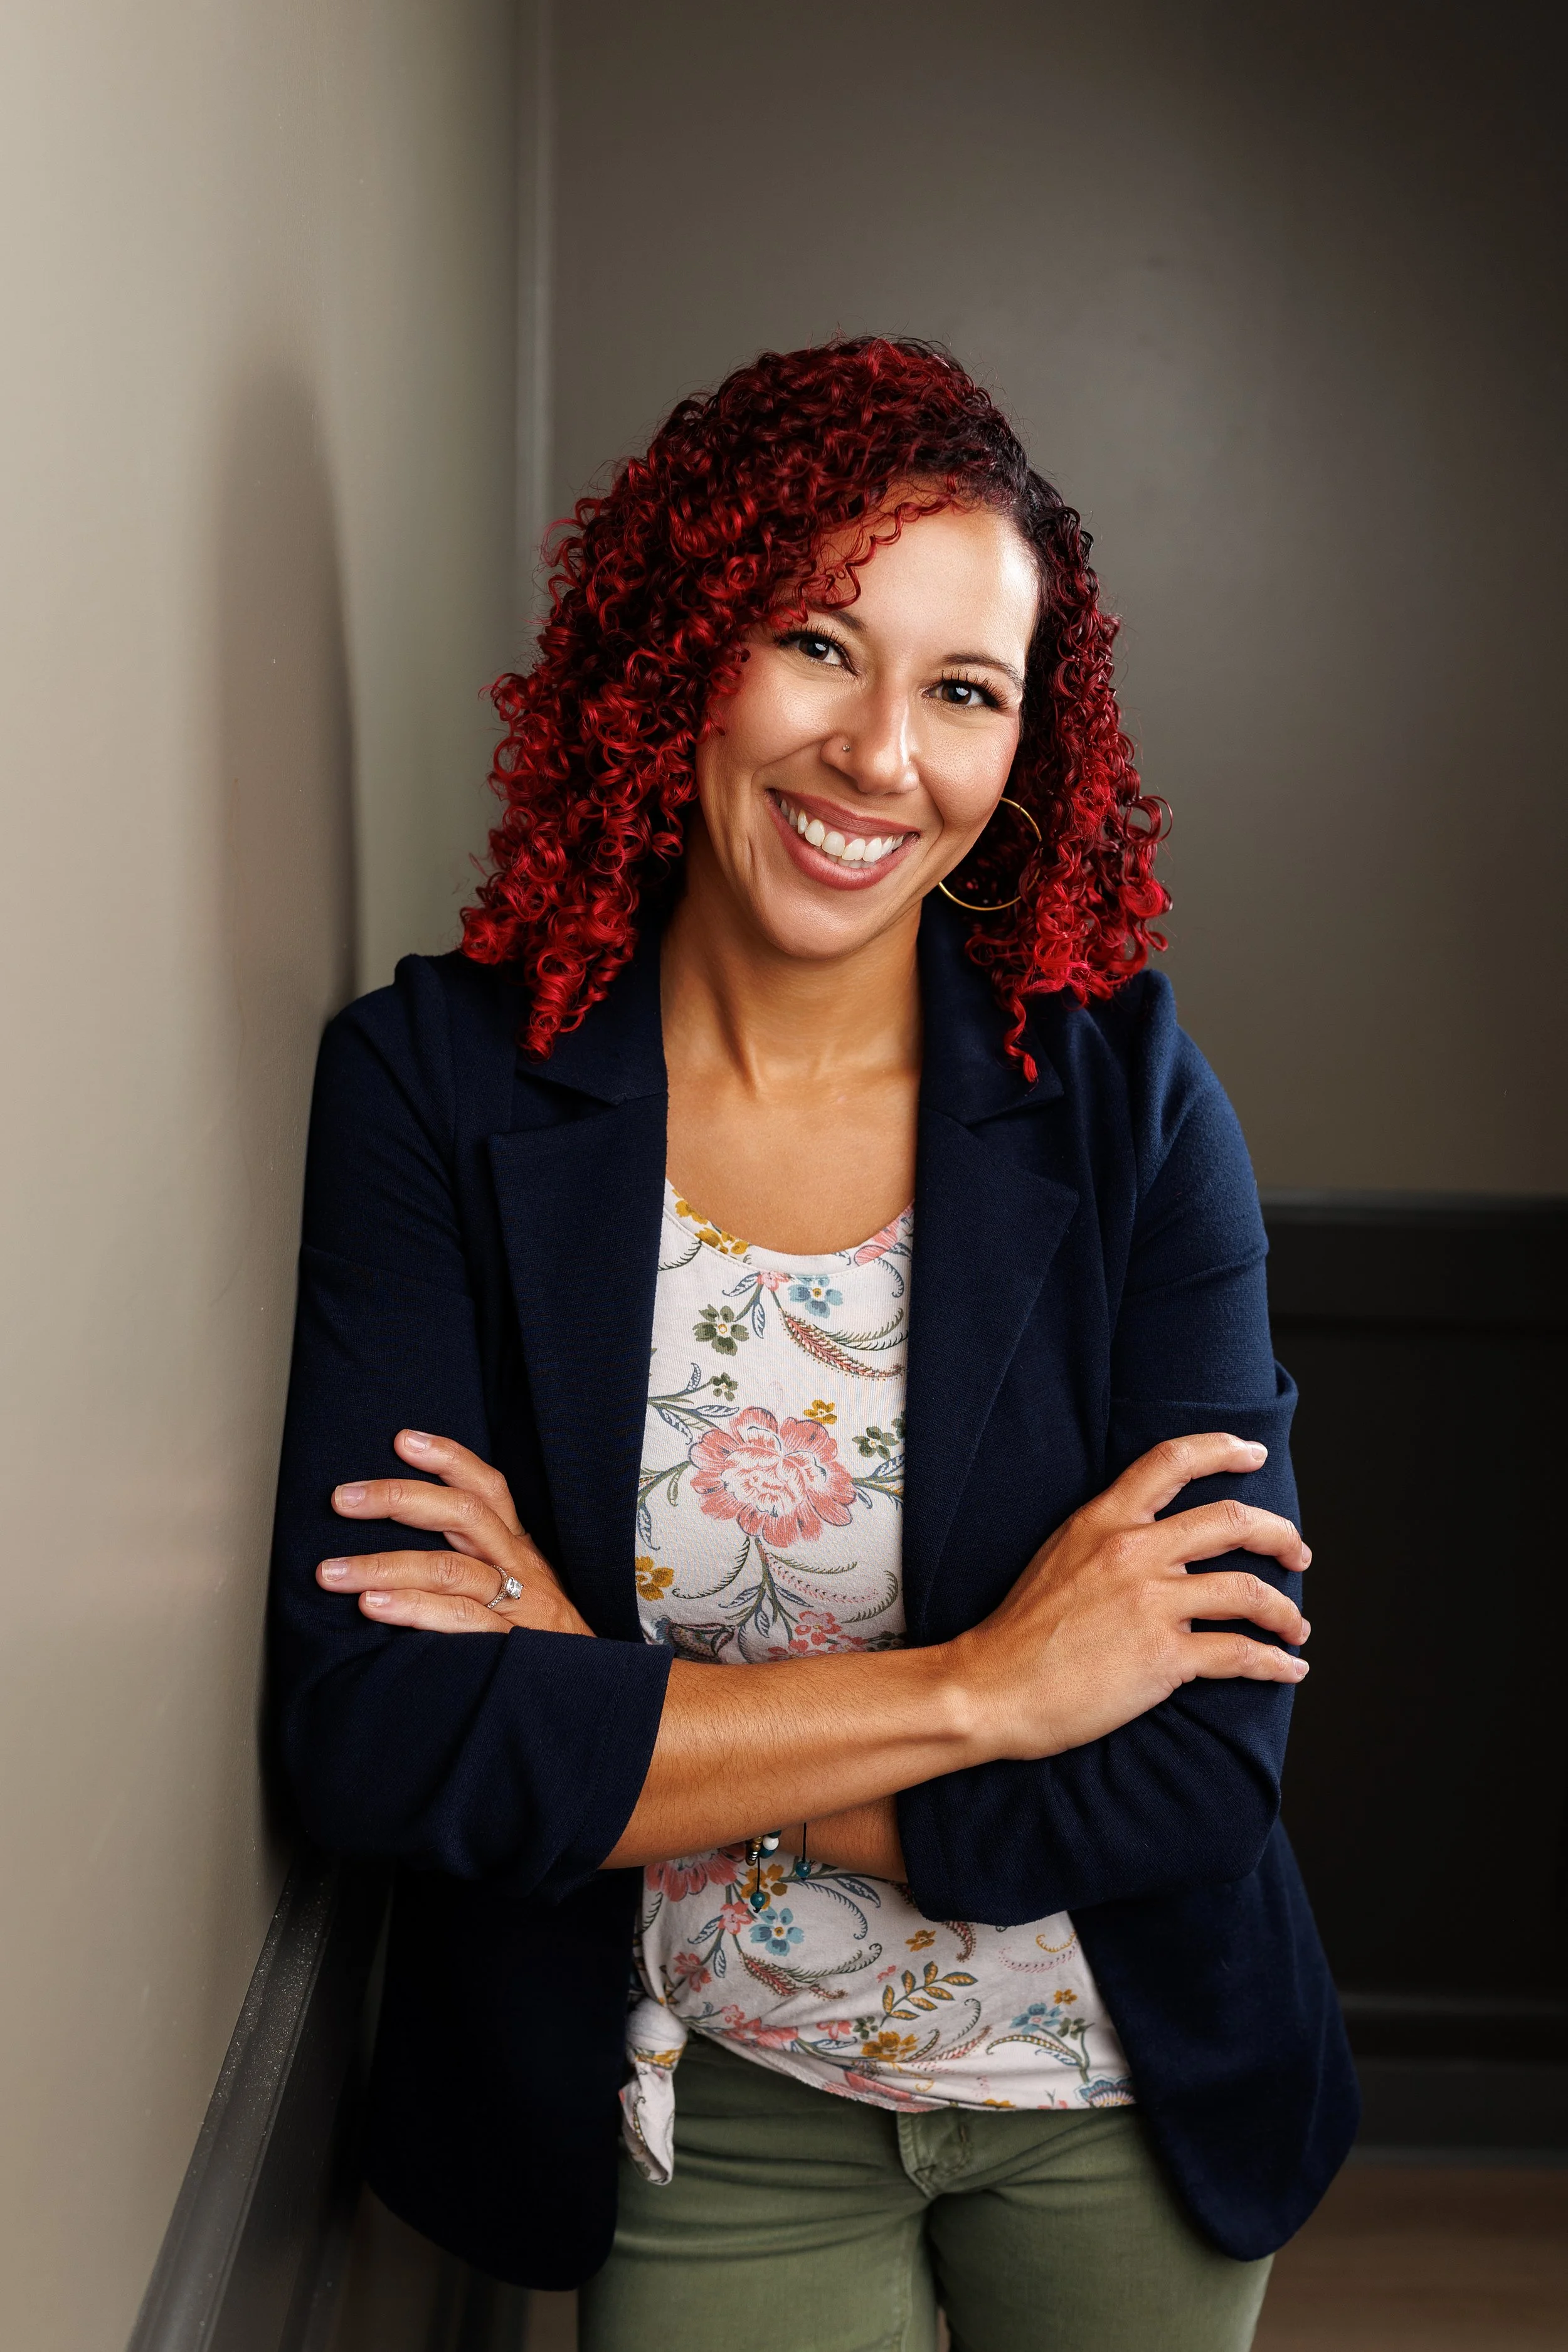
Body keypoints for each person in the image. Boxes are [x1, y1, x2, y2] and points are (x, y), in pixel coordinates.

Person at [269, 337, 1357, 2352]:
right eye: (815, 643)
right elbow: (385, 1730)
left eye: (962, 690)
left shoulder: (1124, 1102)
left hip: (1120, 2091)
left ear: (1024, 749)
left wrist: (610, 1708)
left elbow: (1197, 1756)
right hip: (703, 2104)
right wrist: (992, 1688)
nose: (879, 755)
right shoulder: (435, 1089)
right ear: (679, 647)